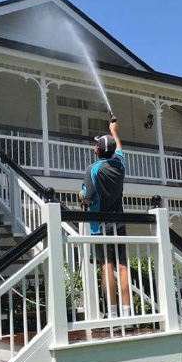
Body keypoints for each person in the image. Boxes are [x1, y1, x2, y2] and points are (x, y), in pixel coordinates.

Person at [78, 117, 131, 320]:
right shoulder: (120, 165)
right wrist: (114, 131)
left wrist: (80, 195)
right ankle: (127, 314)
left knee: (106, 265)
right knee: (123, 265)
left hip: (100, 227)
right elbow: (119, 148)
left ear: (97, 150)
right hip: (120, 223)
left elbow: (87, 199)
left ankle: (113, 313)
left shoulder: (92, 170)